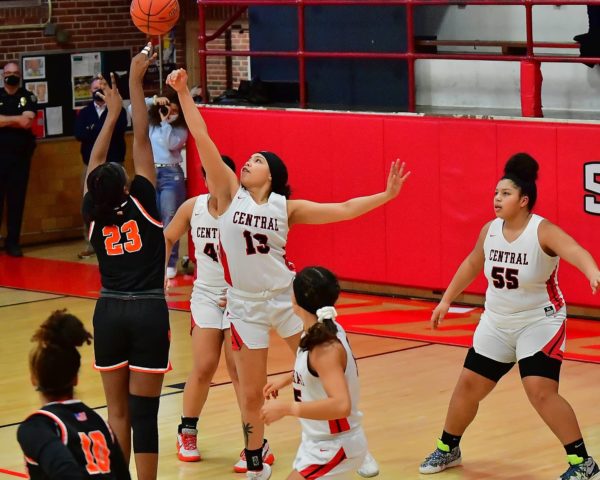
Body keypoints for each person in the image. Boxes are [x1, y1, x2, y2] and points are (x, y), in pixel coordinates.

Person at [167, 67, 409, 480]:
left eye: (257, 160)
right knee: (248, 390)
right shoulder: (227, 193)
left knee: (334, 362)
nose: (248, 162)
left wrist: (385, 196)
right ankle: (255, 460)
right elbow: (203, 136)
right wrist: (183, 93)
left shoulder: (285, 207)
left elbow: (344, 209)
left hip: (283, 300)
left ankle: (354, 440)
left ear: (273, 176)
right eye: (248, 158)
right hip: (242, 307)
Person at [419, 153, 600, 480]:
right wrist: (446, 300)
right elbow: (472, 263)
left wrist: (592, 272)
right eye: (496, 193)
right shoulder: (490, 230)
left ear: (524, 200)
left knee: (539, 391)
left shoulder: (541, 230)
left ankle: (582, 463)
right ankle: (448, 449)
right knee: (468, 385)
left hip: (539, 322)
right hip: (497, 321)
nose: (497, 199)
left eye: (505, 194)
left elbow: (575, 250)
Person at [81, 44, 169, 480]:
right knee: (144, 413)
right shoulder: (146, 202)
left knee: (116, 411)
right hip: (148, 309)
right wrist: (135, 84)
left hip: (109, 310)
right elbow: (141, 142)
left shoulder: (93, 215)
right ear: (127, 186)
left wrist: (109, 114)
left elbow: (96, 163)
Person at [164, 155, 243, 463]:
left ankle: (255, 443)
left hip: (240, 297)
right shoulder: (192, 207)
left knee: (239, 371)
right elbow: (168, 237)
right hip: (207, 295)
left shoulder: (243, 210)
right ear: (205, 179)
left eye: (224, 177)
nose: (218, 182)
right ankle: (187, 431)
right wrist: (161, 272)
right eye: (211, 176)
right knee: (204, 365)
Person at [260, 266, 368, 480]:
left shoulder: (323, 348)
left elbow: (341, 405)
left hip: (336, 446)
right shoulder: (322, 328)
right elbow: (322, 372)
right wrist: (289, 378)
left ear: (296, 301)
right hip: (319, 442)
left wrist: (286, 408)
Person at [17, 309, 130, 479]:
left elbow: (66, 472)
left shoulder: (37, 426)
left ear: (34, 379)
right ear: (75, 378)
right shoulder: (99, 422)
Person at [75, 74, 128, 259]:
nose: (98, 90)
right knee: (88, 202)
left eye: (101, 87)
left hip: (114, 165)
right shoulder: (85, 112)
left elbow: (118, 129)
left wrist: (96, 129)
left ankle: (120, 238)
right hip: (91, 166)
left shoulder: (118, 110)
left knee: (120, 202)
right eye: (95, 87)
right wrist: (102, 129)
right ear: (90, 91)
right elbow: (80, 134)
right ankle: (91, 243)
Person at [146, 89, 188, 279]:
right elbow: (132, 108)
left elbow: (170, 144)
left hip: (172, 174)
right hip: (152, 172)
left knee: (170, 218)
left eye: (174, 110)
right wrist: (154, 100)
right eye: (167, 108)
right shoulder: (152, 124)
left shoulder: (180, 129)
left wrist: (165, 122)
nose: (170, 112)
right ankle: (155, 260)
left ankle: (170, 262)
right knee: (153, 218)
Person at [0, 61, 37, 257]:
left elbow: (26, 123)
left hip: (20, 159)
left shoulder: (28, 96)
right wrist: (16, 119)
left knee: (16, 201)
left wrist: (4, 120)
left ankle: (13, 242)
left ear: (20, 75)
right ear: (3, 75)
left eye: (15, 72)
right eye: (8, 73)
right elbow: (20, 120)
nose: (11, 75)